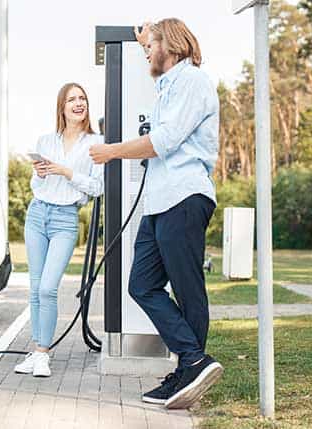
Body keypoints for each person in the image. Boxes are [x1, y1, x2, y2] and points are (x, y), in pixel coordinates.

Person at [89, 18, 222, 409]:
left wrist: (112, 151)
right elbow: (161, 104)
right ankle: (193, 361)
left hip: (184, 196)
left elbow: (163, 140)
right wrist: (148, 39)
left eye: (152, 45)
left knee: (187, 288)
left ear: (174, 44)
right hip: (161, 201)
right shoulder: (168, 86)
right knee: (141, 284)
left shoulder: (194, 82)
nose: (147, 50)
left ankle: (189, 367)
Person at [14, 82, 104, 377]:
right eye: (72, 100)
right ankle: (38, 349)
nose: (79, 104)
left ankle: (42, 355)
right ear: (62, 107)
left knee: (48, 288)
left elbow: (96, 187)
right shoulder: (45, 141)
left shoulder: (95, 142)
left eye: (82, 99)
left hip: (66, 218)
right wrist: (40, 174)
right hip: (38, 214)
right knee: (35, 290)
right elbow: (36, 186)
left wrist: (66, 171)